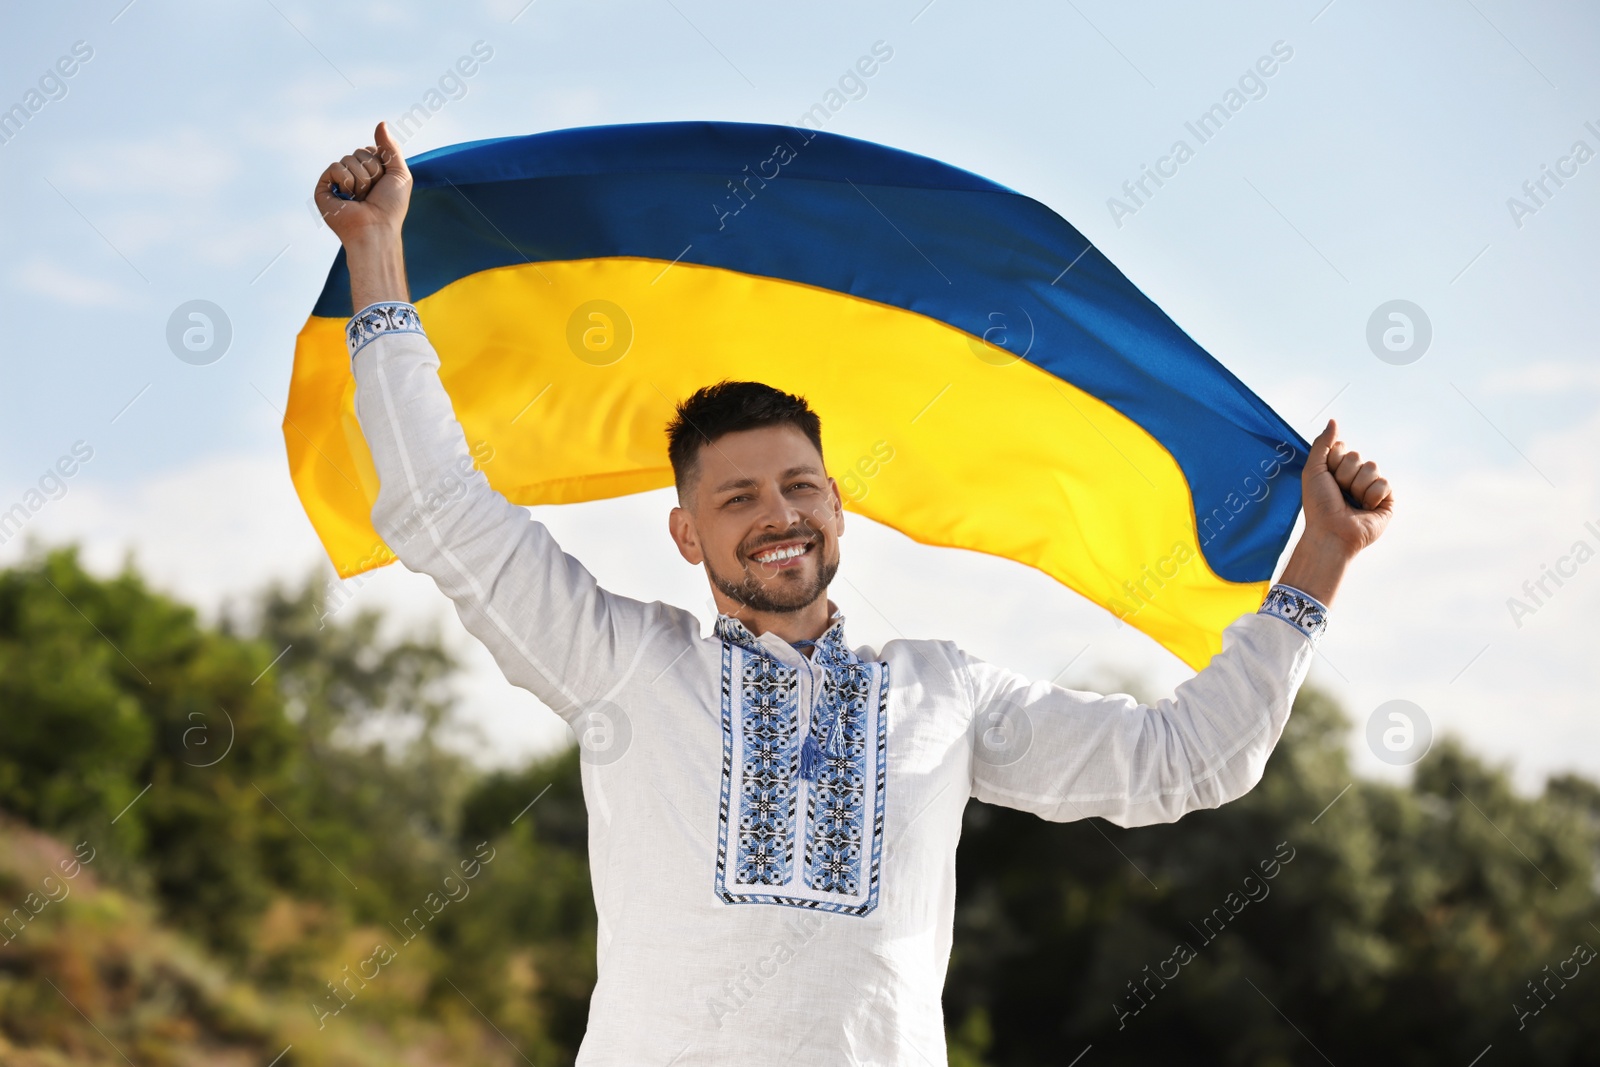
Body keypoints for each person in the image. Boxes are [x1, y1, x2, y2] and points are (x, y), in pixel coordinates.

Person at [315, 121, 1395, 1066]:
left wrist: (1322, 554)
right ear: (687, 533)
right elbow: (436, 504)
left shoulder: (945, 692)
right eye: (737, 496)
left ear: (838, 504)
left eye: (799, 486)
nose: (776, 512)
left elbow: (1188, 761)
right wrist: (379, 250)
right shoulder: (621, 663)